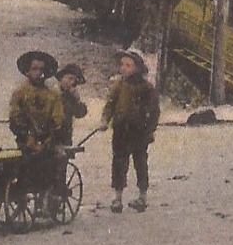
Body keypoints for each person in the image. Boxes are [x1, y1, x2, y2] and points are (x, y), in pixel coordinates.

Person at [101, 49, 159, 213]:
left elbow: (154, 111)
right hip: (120, 130)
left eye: (128, 65)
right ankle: (117, 198)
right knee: (119, 163)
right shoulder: (119, 85)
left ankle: (142, 196)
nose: (124, 68)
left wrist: (150, 129)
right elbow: (110, 105)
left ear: (137, 68)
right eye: (122, 65)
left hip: (139, 132)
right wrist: (105, 120)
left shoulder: (146, 88)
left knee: (140, 163)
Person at [8, 50, 65, 212]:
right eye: (34, 69)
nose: (38, 73)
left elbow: (57, 119)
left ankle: (52, 194)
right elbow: (15, 119)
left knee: (59, 157)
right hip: (26, 139)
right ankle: (24, 194)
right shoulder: (20, 93)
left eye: (42, 70)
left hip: (49, 139)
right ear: (27, 71)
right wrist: (29, 139)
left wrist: (49, 139)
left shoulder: (52, 95)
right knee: (26, 161)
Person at [51, 63, 89, 209]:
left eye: (74, 80)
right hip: (50, 135)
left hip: (64, 137)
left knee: (61, 168)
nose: (71, 82)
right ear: (61, 78)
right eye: (69, 78)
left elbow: (80, 113)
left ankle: (56, 201)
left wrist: (77, 100)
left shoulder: (71, 98)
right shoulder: (52, 93)